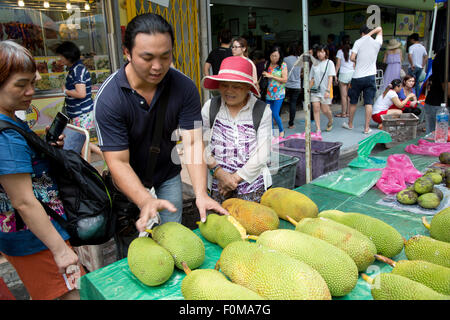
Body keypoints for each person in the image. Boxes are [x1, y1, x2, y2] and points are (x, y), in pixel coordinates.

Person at [93, 13, 227, 258]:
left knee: (173, 232)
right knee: (134, 244)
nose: (157, 66)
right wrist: (144, 200)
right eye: (147, 58)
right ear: (127, 52)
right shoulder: (110, 98)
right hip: (128, 178)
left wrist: (201, 193)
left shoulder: (184, 88)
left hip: (166, 171)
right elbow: (118, 162)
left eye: (165, 56)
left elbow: (194, 142)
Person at [0, 40, 84, 300]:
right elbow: (24, 201)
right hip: (37, 240)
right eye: (21, 84)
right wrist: (59, 249)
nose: (30, 91)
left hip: (32, 237)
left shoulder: (11, 120)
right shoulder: (6, 137)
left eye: (32, 83)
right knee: (71, 295)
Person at [201, 56, 272, 203]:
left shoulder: (262, 110)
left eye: (236, 86)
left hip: (253, 189)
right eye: (224, 85)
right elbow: (201, 144)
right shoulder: (210, 107)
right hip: (217, 187)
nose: (229, 91)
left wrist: (233, 179)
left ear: (247, 88)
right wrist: (219, 173)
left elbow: (263, 152)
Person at [55, 41, 103, 163]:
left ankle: (87, 169)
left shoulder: (77, 71)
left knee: (83, 141)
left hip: (82, 113)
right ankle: (104, 157)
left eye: (60, 56)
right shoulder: (75, 69)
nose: (59, 59)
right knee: (82, 140)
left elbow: (81, 93)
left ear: (68, 56)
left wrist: (66, 91)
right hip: (79, 113)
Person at [344, 25, 383, 134]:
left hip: (357, 77)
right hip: (371, 77)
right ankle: (366, 128)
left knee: (353, 102)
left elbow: (352, 57)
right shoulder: (377, 42)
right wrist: (371, 34)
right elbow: (380, 28)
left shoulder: (358, 42)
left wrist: (356, 61)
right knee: (368, 103)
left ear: (361, 33)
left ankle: (350, 124)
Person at [262, 46, 288, 137]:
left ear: (280, 56)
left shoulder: (283, 65)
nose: (274, 58)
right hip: (268, 93)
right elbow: (264, 77)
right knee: (269, 114)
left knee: (275, 113)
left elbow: (285, 79)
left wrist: (271, 76)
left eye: (276, 56)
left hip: (279, 93)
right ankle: (272, 133)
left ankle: (281, 130)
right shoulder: (267, 64)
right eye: (272, 56)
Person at [423, 45, 450, 134]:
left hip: (440, 105)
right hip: (439, 107)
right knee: (436, 142)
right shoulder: (446, 54)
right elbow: (446, 86)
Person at [309, 44, 335, 133]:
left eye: (322, 52)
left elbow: (330, 77)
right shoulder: (314, 64)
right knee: (315, 108)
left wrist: (328, 90)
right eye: (319, 52)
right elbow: (311, 77)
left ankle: (330, 120)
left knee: (325, 110)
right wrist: (308, 88)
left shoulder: (329, 63)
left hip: (325, 91)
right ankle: (318, 128)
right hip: (315, 90)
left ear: (326, 53)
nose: (320, 54)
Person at [284, 42, 303, 129]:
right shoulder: (300, 59)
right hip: (297, 85)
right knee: (293, 103)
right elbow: (302, 72)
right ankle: (291, 124)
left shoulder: (285, 59)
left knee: (281, 102)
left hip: (287, 85)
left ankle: (276, 120)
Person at [335, 39, 354, 118]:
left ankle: (343, 113)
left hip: (343, 75)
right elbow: (355, 64)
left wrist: (335, 75)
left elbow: (338, 65)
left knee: (343, 96)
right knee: (349, 96)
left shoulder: (339, 52)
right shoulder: (353, 51)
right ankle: (349, 113)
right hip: (352, 75)